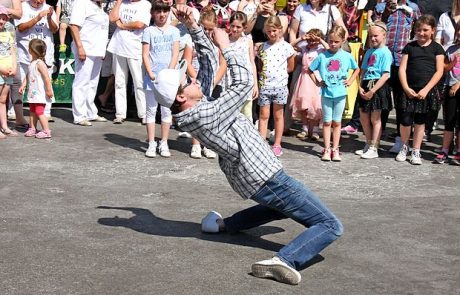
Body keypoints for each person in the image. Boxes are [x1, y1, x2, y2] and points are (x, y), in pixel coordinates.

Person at [159, 5, 343, 285]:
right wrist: (229, 47)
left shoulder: (195, 107)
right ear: (183, 97)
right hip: (267, 178)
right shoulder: (204, 114)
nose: (193, 78)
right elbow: (244, 83)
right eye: (187, 81)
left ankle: (223, 225)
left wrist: (194, 27)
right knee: (330, 225)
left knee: (280, 207)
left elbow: (207, 65)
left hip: (253, 178)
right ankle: (284, 260)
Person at [396, 15, 445, 165]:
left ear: (433, 31)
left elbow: (439, 71)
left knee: (420, 121)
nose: (421, 33)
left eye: (425, 30)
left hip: (425, 91)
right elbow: (402, 69)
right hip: (409, 89)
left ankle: (416, 149)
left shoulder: (437, 48)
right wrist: (405, 87)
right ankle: (404, 146)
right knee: (405, 120)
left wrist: (426, 90)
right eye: (419, 30)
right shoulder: (410, 47)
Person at [309, 25, 360, 162]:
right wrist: (317, 82)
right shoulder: (322, 56)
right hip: (326, 93)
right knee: (326, 122)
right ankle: (326, 148)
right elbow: (310, 69)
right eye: (330, 41)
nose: (332, 44)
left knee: (337, 122)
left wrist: (350, 81)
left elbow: (356, 69)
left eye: (336, 41)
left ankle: (335, 148)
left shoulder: (346, 56)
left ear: (343, 41)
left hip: (340, 94)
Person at [142, 2, 179, 158]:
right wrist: (150, 73)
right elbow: (145, 54)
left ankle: (164, 142)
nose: (162, 15)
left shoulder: (174, 31)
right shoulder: (148, 31)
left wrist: (169, 73)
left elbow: (175, 53)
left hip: (168, 80)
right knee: (150, 111)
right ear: (153, 13)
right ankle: (151, 143)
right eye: (158, 12)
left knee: (166, 111)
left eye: (165, 11)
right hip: (152, 78)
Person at [256, 16, 296, 157]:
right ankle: (261, 142)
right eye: (268, 31)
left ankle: (277, 143)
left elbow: (291, 67)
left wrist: (280, 75)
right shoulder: (263, 47)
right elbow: (261, 66)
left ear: (280, 30)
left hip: (280, 86)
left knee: (278, 115)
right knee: (263, 115)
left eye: (274, 30)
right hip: (265, 86)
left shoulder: (286, 47)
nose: (272, 34)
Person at [107, 0, 151, 124]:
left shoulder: (145, 4)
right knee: (119, 82)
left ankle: (143, 114)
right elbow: (112, 18)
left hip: (135, 48)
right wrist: (118, 2)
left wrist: (122, 25)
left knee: (139, 82)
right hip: (118, 46)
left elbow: (140, 24)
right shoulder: (122, 3)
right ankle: (120, 113)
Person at [14, 0, 58, 123]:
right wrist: (38, 18)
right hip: (25, 54)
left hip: (44, 55)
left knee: (45, 82)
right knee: (19, 84)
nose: (39, 2)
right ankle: (16, 112)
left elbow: (54, 29)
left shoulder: (49, 8)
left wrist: (49, 18)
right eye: (36, 0)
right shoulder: (22, 7)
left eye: (41, 0)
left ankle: (46, 112)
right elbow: (21, 27)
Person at [356, 21, 392, 159]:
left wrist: (373, 91)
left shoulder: (385, 53)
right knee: (364, 117)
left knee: (375, 118)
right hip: (366, 84)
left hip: (377, 86)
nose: (373, 39)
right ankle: (368, 142)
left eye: (376, 36)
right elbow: (363, 70)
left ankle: (374, 147)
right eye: (371, 36)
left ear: (384, 35)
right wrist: (360, 86)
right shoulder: (369, 51)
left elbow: (386, 74)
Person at [69, 0, 109, 126]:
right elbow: (74, 26)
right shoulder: (81, 3)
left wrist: (102, 50)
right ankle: (79, 115)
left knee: (93, 82)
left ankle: (90, 112)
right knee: (82, 81)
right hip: (86, 47)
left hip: (97, 50)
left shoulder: (99, 6)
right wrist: (80, 47)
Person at [290, 29, 328, 141]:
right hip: (304, 79)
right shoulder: (304, 49)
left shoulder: (320, 50)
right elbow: (290, 46)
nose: (311, 42)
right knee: (304, 104)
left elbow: (329, 49)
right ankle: (305, 128)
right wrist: (301, 38)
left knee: (315, 105)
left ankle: (315, 129)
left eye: (314, 40)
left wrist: (320, 40)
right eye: (310, 40)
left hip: (315, 78)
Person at [434, 21, 460, 165]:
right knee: (449, 121)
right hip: (450, 88)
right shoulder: (451, 49)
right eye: (459, 30)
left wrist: (458, 84)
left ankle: (459, 150)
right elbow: (444, 67)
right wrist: (450, 64)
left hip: (456, 86)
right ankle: (445, 150)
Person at [19, 39, 54, 138]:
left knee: (39, 111)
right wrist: (23, 85)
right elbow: (28, 75)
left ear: (31, 50)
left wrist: (48, 90)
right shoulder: (32, 63)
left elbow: (47, 78)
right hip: (33, 93)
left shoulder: (40, 63)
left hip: (40, 93)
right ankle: (32, 128)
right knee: (32, 111)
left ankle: (46, 131)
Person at [228, 12, 258, 121]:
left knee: (246, 114)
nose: (235, 29)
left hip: (246, 81)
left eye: (238, 27)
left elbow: (252, 62)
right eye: (233, 26)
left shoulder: (248, 41)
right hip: (230, 81)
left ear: (244, 27)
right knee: (231, 115)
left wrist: (255, 84)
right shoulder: (226, 40)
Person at [0, 5, 17, 138]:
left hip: (8, 70)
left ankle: (4, 126)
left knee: (3, 99)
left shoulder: (9, 28)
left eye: (4, 18)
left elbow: (13, 49)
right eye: (0, 18)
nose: (2, 21)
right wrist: (2, 69)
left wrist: (14, 67)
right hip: (1, 70)